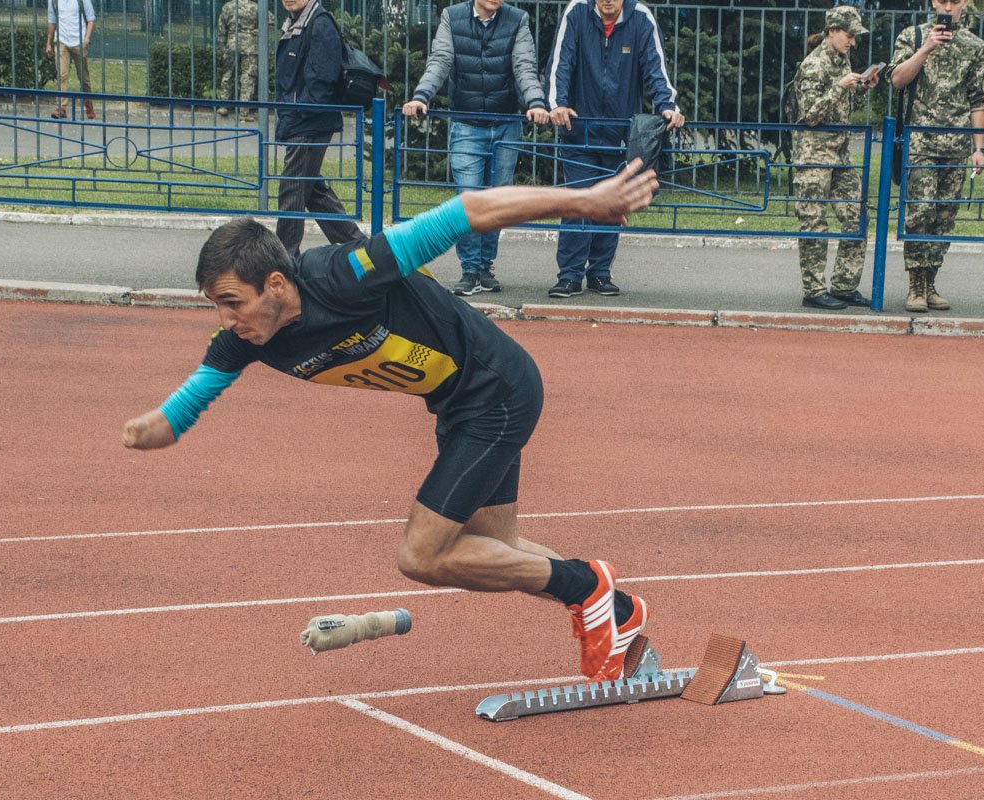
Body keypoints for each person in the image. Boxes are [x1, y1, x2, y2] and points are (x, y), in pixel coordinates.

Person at [121, 161, 662, 684]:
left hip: (498, 388)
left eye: (233, 302)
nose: (227, 320)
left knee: (422, 554)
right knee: (495, 548)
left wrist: (586, 201)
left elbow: (467, 210)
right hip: (458, 404)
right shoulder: (242, 342)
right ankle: (618, 609)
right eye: (216, 306)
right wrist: (150, 429)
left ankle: (586, 585)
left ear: (277, 284)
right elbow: (182, 411)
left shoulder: (344, 273)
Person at [402, 0, 549, 297]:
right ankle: (469, 270)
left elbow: (524, 66)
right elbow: (441, 60)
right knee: (468, 197)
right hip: (467, 123)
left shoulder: (517, 19)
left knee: (497, 200)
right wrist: (421, 96)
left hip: (505, 122)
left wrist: (535, 101)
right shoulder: (452, 17)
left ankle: (485, 267)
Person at [544, 0, 684, 299]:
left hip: (621, 133)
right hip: (579, 129)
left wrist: (667, 107)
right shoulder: (577, 12)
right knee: (577, 202)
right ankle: (569, 276)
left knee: (612, 204)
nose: (607, 0)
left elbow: (655, 68)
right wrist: (557, 104)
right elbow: (561, 61)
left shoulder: (641, 18)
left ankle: (600, 273)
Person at [889, 0, 984, 313]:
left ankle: (931, 282)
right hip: (920, 143)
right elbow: (897, 80)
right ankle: (915, 286)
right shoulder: (913, 36)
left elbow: (978, 99)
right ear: (934, 3)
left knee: (944, 218)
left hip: (956, 146)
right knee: (920, 213)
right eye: (943, 1)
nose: (949, 7)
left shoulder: (975, 45)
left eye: (955, 1)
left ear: (965, 4)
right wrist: (926, 48)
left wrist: (978, 147)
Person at [792, 6, 877, 311]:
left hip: (839, 155)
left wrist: (862, 89)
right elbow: (810, 115)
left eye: (855, 36)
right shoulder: (813, 66)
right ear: (832, 32)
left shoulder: (842, 61)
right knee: (814, 223)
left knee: (857, 216)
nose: (852, 42)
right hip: (813, 156)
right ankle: (814, 290)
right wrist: (839, 88)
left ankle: (844, 285)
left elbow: (843, 107)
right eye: (849, 35)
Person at [274, 0, 367, 257]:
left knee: (292, 187)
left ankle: (285, 257)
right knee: (313, 190)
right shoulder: (297, 23)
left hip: (310, 121)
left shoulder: (320, 23)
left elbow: (322, 78)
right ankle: (359, 246)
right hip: (302, 118)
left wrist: (299, 111)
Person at [216, 0, 270, 124]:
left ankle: (224, 106)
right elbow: (271, 20)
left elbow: (221, 27)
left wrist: (224, 41)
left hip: (232, 43)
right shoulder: (256, 7)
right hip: (250, 44)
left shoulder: (228, 6)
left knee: (228, 73)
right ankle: (243, 114)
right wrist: (259, 29)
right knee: (248, 78)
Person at [45, 0, 96, 120]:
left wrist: (87, 39)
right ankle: (61, 108)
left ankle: (89, 104)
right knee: (62, 75)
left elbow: (91, 19)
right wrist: (49, 42)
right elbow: (52, 20)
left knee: (84, 77)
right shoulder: (53, 1)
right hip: (62, 41)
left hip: (79, 41)